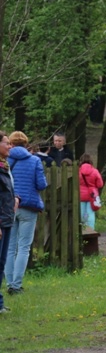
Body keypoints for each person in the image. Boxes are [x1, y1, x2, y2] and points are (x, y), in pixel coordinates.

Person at [5, 131, 48, 295]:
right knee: (24, 247)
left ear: (11, 143)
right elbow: (42, 185)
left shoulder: (5, 161)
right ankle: (16, 285)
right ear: (25, 143)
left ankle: (9, 283)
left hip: (9, 207)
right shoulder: (35, 160)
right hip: (29, 207)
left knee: (9, 248)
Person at [0, 131, 17, 313]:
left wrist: (16, 198)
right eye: (6, 143)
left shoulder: (4, 166)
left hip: (6, 219)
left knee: (1, 263)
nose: (9, 146)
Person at [78, 153, 103, 230]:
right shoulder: (95, 171)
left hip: (80, 195)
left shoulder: (78, 171)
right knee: (90, 213)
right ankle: (90, 230)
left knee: (82, 213)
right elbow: (100, 184)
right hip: (91, 195)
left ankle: (82, 229)